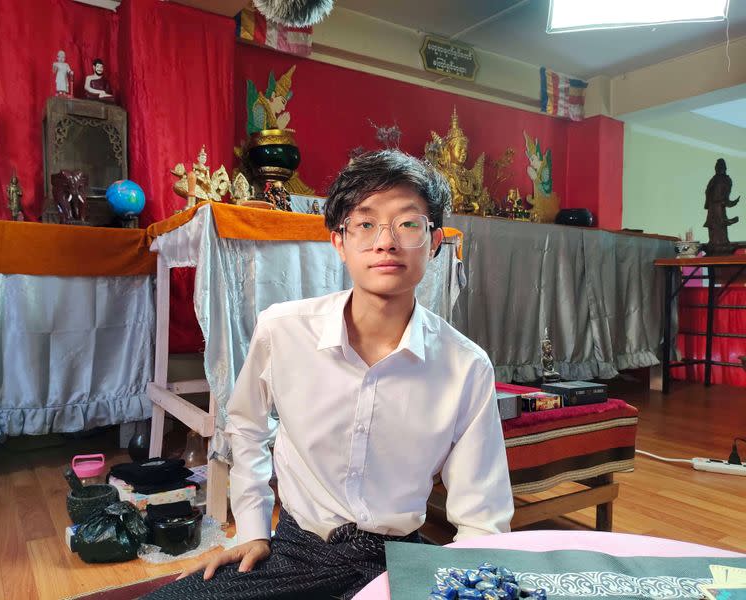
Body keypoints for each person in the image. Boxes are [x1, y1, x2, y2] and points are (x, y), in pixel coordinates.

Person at [145, 150, 513, 600]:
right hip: (297, 552)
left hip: (398, 563)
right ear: (338, 241)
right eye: (365, 224)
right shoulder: (283, 330)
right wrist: (253, 530)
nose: (386, 241)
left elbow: (482, 517)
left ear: (434, 241)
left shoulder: (466, 367)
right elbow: (246, 426)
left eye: (408, 223)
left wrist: (461, 588)